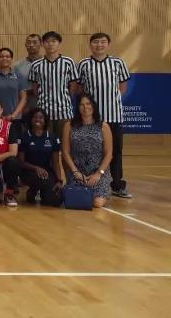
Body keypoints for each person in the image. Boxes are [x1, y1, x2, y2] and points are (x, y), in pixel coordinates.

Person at [77, 33, 131, 199]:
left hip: (114, 116)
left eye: (102, 42)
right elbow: (80, 89)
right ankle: (89, 181)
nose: (99, 45)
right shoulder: (83, 64)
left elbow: (122, 87)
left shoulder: (118, 62)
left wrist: (112, 101)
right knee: (91, 150)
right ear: (90, 44)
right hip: (92, 118)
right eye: (95, 42)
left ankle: (117, 185)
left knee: (116, 150)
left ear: (108, 44)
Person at [61, 95, 113, 208]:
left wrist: (98, 174)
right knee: (76, 199)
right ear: (78, 107)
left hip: (98, 171)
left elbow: (109, 154)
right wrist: (75, 172)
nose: (85, 107)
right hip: (78, 172)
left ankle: (106, 190)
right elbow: (65, 152)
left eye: (88, 104)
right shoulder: (69, 126)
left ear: (93, 106)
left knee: (97, 203)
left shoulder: (103, 126)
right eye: (82, 104)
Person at [27, 31, 79, 139]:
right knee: (46, 143)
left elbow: (73, 86)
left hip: (64, 112)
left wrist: (65, 99)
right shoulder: (36, 65)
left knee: (65, 143)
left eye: (54, 41)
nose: (50, 44)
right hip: (44, 112)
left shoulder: (68, 62)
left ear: (59, 43)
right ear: (43, 44)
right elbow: (35, 88)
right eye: (47, 42)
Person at [18, 108, 64, 206]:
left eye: (40, 117)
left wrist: (59, 180)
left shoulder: (53, 137)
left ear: (45, 120)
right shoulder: (24, 137)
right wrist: (36, 168)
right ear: (30, 119)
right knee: (44, 180)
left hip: (47, 172)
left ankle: (42, 193)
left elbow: (56, 162)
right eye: (35, 117)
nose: (38, 119)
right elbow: (20, 162)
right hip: (28, 172)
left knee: (54, 201)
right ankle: (32, 191)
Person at [0, 48, 27, 137]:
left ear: (11, 58)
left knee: (14, 143)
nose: (4, 58)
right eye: (1, 56)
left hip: (15, 118)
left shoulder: (19, 76)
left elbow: (23, 98)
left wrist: (13, 115)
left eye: (7, 56)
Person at [14, 33, 43, 114]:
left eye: (35, 42)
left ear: (41, 44)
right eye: (29, 42)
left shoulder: (47, 64)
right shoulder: (17, 66)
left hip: (43, 105)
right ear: (25, 45)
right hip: (24, 106)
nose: (31, 45)